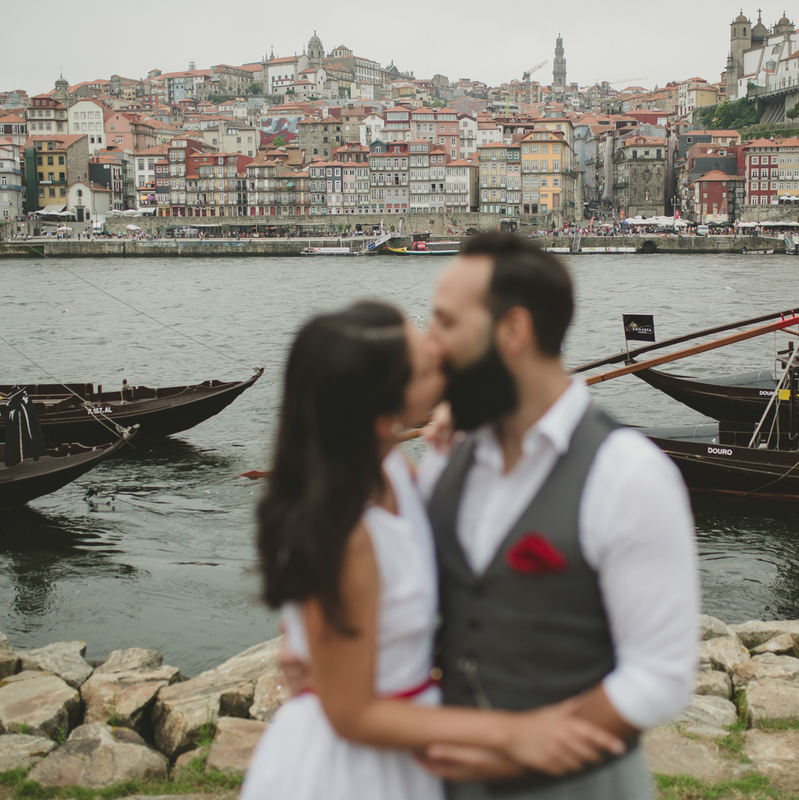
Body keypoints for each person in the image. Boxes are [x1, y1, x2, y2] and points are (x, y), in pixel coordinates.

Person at [241, 301, 625, 800]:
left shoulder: (391, 468)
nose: (442, 358)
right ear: (382, 416)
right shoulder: (350, 533)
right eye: (426, 365)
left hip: (409, 742)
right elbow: (352, 713)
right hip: (354, 771)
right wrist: (516, 735)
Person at [417, 233, 700, 799]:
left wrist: (514, 741)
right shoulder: (444, 462)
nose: (429, 346)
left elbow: (660, 675)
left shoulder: (629, 475)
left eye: (446, 324)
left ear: (513, 332)